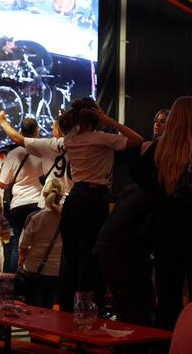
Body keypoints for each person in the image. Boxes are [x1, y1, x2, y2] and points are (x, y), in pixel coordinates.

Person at [132, 96, 192, 330]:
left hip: (164, 222)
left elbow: (136, 172)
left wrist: (160, 189)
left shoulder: (161, 145)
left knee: (167, 286)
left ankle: (166, 337)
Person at [57, 98, 143, 312]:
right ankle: (87, 309)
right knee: (90, 256)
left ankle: (66, 309)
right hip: (93, 199)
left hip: (74, 198)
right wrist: (108, 120)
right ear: (96, 116)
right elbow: (138, 139)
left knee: (69, 256)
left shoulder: (70, 139)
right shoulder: (101, 138)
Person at [94, 183, 156, 326]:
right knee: (139, 307)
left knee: (123, 305)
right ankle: (137, 338)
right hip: (124, 253)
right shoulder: (152, 195)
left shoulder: (134, 193)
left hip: (106, 249)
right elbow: (146, 232)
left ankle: (124, 336)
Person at [0, 110, 73, 207]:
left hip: (49, 204)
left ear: (58, 129)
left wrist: (2, 122)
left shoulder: (50, 145)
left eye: (53, 127)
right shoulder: (81, 146)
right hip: (71, 203)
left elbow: (18, 139)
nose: (51, 129)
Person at [0, 118, 43, 272]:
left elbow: (3, 183)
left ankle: (14, 281)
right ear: (36, 131)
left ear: (20, 132)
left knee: (17, 244)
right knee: (36, 244)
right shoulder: (42, 151)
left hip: (18, 205)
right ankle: (32, 279)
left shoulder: (13, 154)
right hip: (38, 204)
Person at [17, 178, 64, 308]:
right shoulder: (66, 219)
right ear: (61, 196)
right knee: (48, 310)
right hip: (56, 271)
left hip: (33, 270)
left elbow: (23, 247)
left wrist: (21, 259)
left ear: (43, 194)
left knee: (33, 310)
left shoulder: (35, 217)